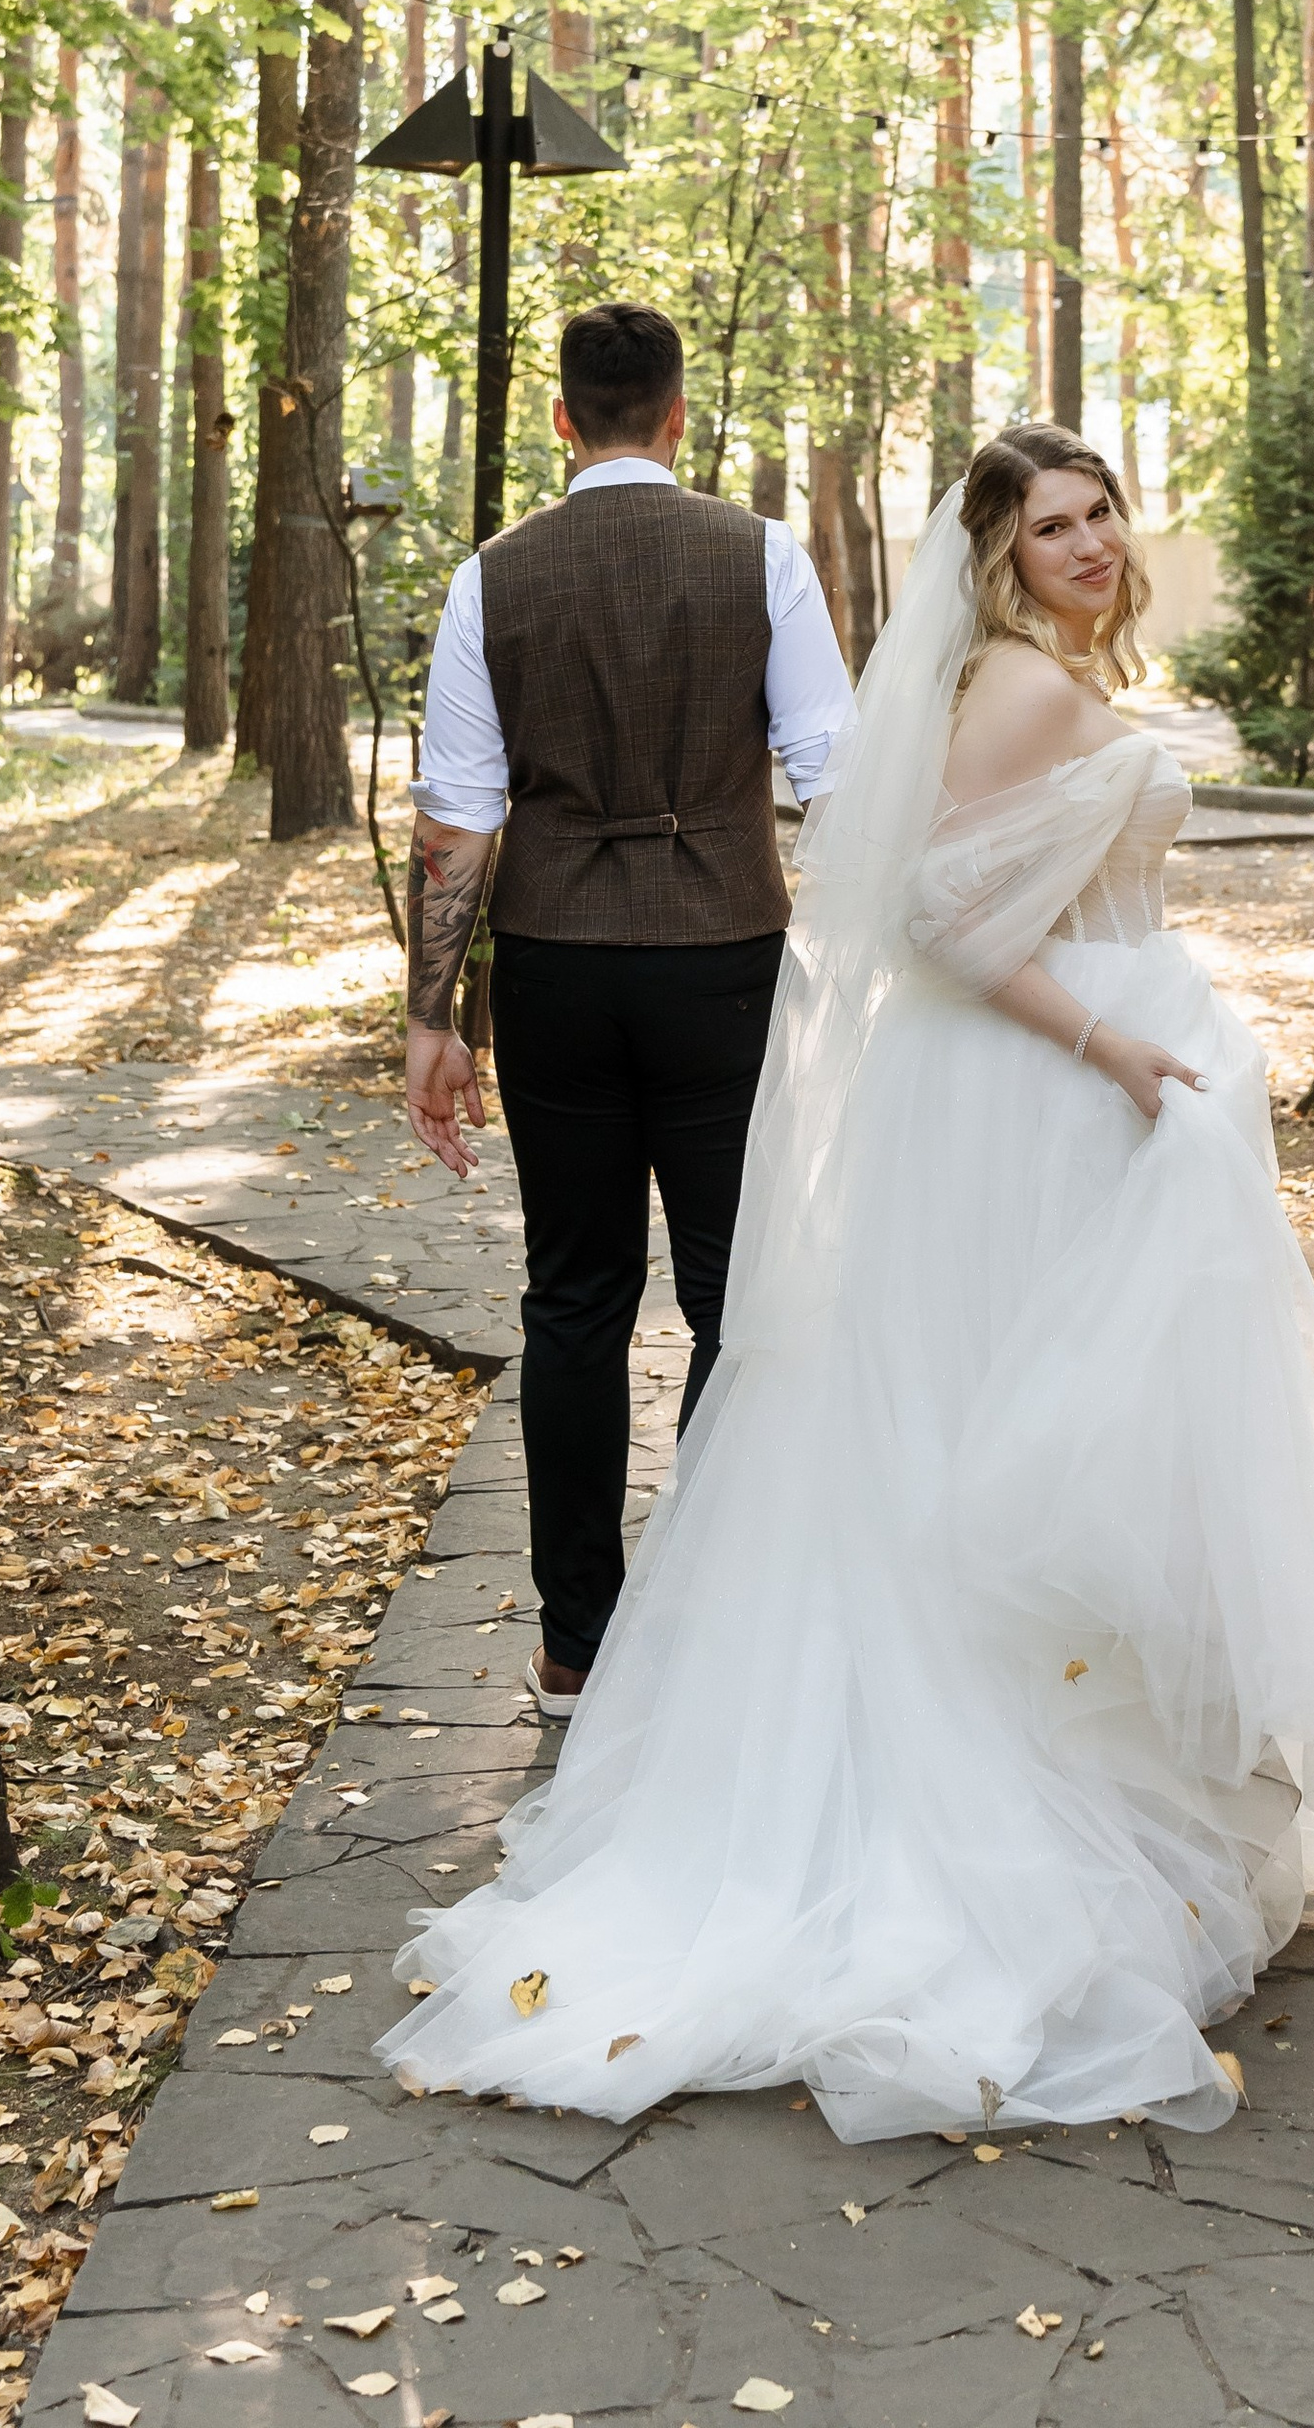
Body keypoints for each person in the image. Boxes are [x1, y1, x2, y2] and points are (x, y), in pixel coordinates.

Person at [379, 423, 1314, 2144]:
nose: (1095, 539)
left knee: (1058, 1429)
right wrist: (1120, 1044)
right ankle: (1001, 1815)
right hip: (1051, 1093)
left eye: (1104, 508)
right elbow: (944, 928)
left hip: (1070, 1088)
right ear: (1001, 553)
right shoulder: (1028, 693)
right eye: (1056, 523)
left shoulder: (1033, 673)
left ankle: (1106, 1771)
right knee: (1020, 1434)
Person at [402, 300, 854, 1721]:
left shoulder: (494, 576)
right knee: (734, 1292)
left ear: (562, 421)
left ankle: (574, 1647)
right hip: (727, 960)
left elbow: (456, 825)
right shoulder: (761, 555)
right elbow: (837, 777)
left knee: (575, 1300)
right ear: (674, 415)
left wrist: (434, 1021)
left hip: (554, 969)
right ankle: (723, 1611)